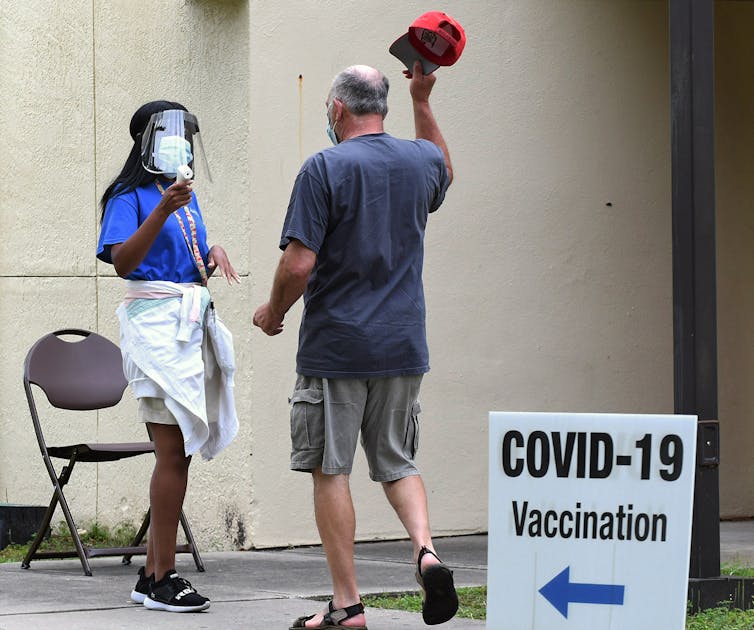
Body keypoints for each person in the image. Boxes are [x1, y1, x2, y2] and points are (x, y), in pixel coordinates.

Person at [253, 62, 457, 628]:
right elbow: (444, 169)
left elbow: (298, 263)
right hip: (402, 345)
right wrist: (423, 98)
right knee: (397, 462)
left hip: (337, 349)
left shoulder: (324, 167)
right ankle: (426, 550)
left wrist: (273, 312)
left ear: (337, 109)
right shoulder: (419, 162)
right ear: (383, 107)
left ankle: (347, 606)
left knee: (331, 469)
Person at [97, 100, 240, 613]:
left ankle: (150, 574)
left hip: (184, 327)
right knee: (172, 451)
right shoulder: (130, 195)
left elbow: (180, 261)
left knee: (177, 453)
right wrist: (163, 208)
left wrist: (211, 252)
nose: (186, 144)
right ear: (148, 141)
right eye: (178, 135)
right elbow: (125, 262)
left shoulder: (183, 196)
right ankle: (163, 576)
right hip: (156, 332)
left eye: (191, 135)